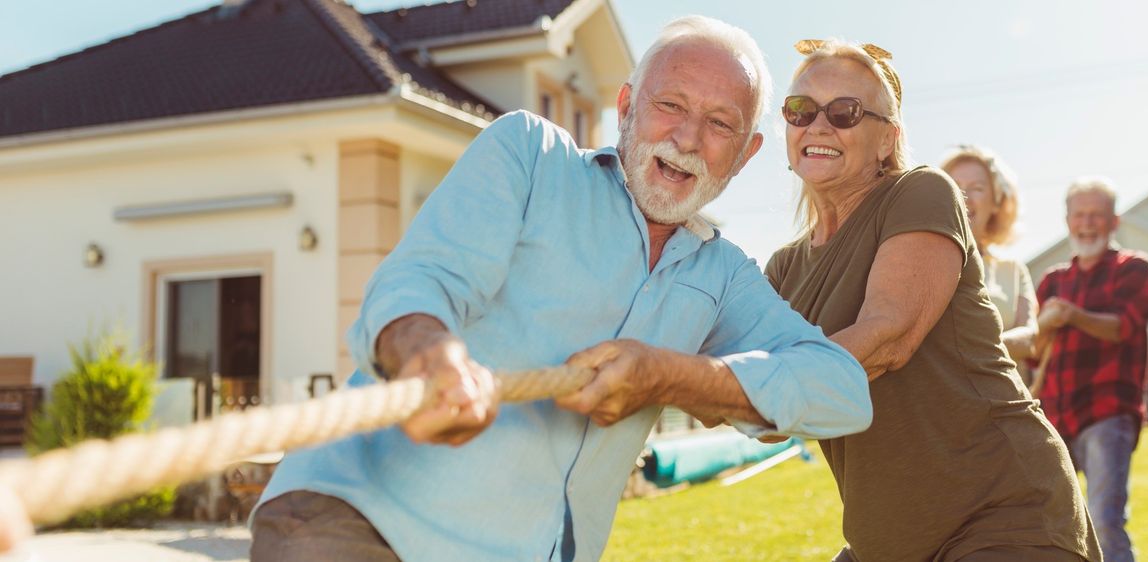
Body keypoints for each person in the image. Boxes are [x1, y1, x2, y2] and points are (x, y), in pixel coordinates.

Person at [249, 16, 872, 562]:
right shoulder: (530, 155)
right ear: (626, 106)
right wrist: (427, 355)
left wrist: (674, 377)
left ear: (744, 155)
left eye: (719, 124)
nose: (686, 139)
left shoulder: (725, 275)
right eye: (671, 106)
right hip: (355, 521)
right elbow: (424, 279)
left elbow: (841, 391)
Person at [765, 39, 1099, 562]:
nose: (819, 125)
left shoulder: (921, 192)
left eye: (846, 112)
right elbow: (767, 420)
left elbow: (887, 336)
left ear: (887, 140)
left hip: (1004, 515)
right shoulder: (784, 268)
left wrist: (736, 384)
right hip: (887, 543)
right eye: (800, 110)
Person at [1033, 178, 1148, 562]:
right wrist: (1043, 326)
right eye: (1079, 215)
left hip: (1108, 413)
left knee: (1105, 521)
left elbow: (1123, 326)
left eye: (1096, 215)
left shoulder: (1135, 268)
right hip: (1054, 417)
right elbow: (1034, 354)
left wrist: (1072, 315)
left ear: (1113, 222)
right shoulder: (1052, 281)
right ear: (1067, 220)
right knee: (1050, 524)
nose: (1086, 224)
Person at [942, 145, 1040, 386]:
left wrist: (971, 351)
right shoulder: (923, 262)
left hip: (1005, 402)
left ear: (997, 202)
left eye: (977, 188)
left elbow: (1029, 338)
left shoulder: (1014, 271)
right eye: (955, 186)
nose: (964, 195)